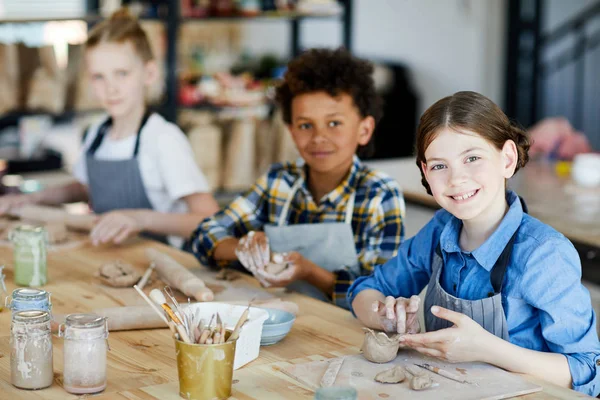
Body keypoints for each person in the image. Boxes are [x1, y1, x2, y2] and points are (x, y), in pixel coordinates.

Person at [348, 91, 600, 396]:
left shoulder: (544, 254)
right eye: (440, 166)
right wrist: (385, 316)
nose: (456, 179)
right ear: (426, 172)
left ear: (507, 159)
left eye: (472, 158)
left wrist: (486, 348)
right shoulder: (441, 229)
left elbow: (588, 371)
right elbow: (363, 291)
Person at [191, 48, 405, 310]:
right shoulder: (278, 181)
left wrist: (309, 272)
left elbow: (381, 294)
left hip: (346, 334)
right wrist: (243, 248)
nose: (318, 137)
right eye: (305, 125)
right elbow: (203, 236)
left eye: (334, 123)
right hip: (279, 321)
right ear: (291, 131)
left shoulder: (380, 195)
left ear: (364, 130)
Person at [0, 9, 219, 249]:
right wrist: (30, 199)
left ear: (149, 73)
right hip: (108, 256)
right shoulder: (97, 134)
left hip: (158, 266)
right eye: (99, 77)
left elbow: (210, 220)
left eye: (121, 74)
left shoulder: (163, 140)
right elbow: (85, 188)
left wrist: (140, 218)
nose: (110, 88)